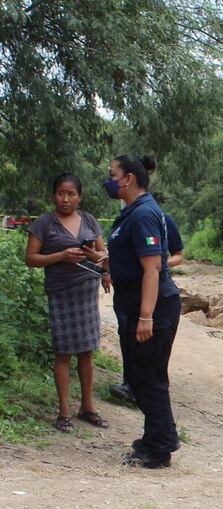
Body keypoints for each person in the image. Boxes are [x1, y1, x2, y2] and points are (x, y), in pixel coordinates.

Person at [105, 155, 182, 468]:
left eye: (113, 175)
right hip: (137, 304)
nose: (109, 180)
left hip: (153, 307)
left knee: (149, 378)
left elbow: (152, 269)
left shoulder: (143, 214)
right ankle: (161, 437)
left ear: (129, 179)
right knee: (142, 377)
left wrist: (146, 317)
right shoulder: (133, 212)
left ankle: (158, 449)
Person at [24, 173, 110, 432]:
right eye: (61, 193)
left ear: (79, 197)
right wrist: (61, 256)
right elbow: (31, 258)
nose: (65, 199)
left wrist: (100, 264)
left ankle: (88, 407)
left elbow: (103, 253)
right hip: (61, 293)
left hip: (86, 292)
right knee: (63, 352)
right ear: (54, 195)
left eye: (71, 194)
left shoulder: (89, 220)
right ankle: (63, 412)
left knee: (87, 351)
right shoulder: (44, 223)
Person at [107, 191, 183, 403]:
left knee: (149, 349)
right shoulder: (126, 220)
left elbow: (174, 255)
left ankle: (146, 391)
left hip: (151, 292)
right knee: (126, 336)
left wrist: (159, 264)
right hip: (127, 294)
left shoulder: (154, 218)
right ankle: (130, 383)